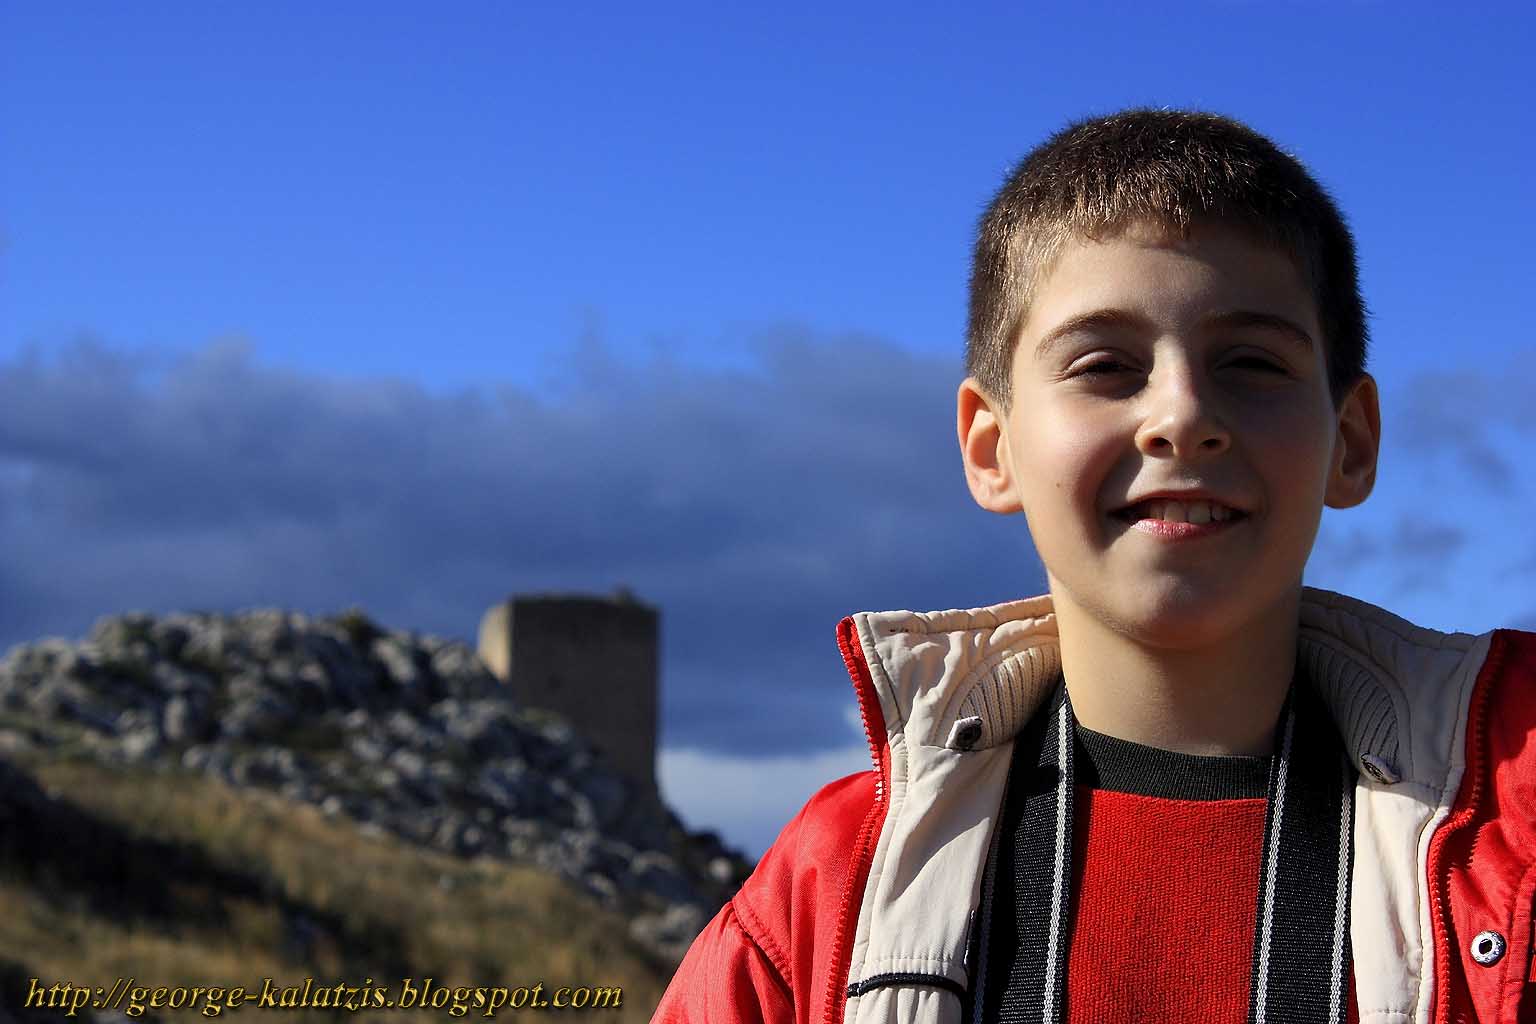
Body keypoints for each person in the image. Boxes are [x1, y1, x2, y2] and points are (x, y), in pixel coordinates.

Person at [652, 109, 1536, 1024]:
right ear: (992, 448)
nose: (1182, 416)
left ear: (1351, 441)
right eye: (1105, 365)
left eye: (1251, 363)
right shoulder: (830, 897)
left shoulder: (1517, 839)